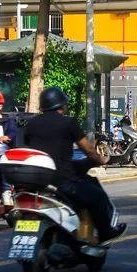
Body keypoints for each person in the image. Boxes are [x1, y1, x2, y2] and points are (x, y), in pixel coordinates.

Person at [23, 87, 126, 243]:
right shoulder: (68, 123)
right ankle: (105, 232)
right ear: (61, 105)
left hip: (38, 181)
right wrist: (101, 160)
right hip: (63, 181)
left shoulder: (31, 124)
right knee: (97, 197)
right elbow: (89, 150)